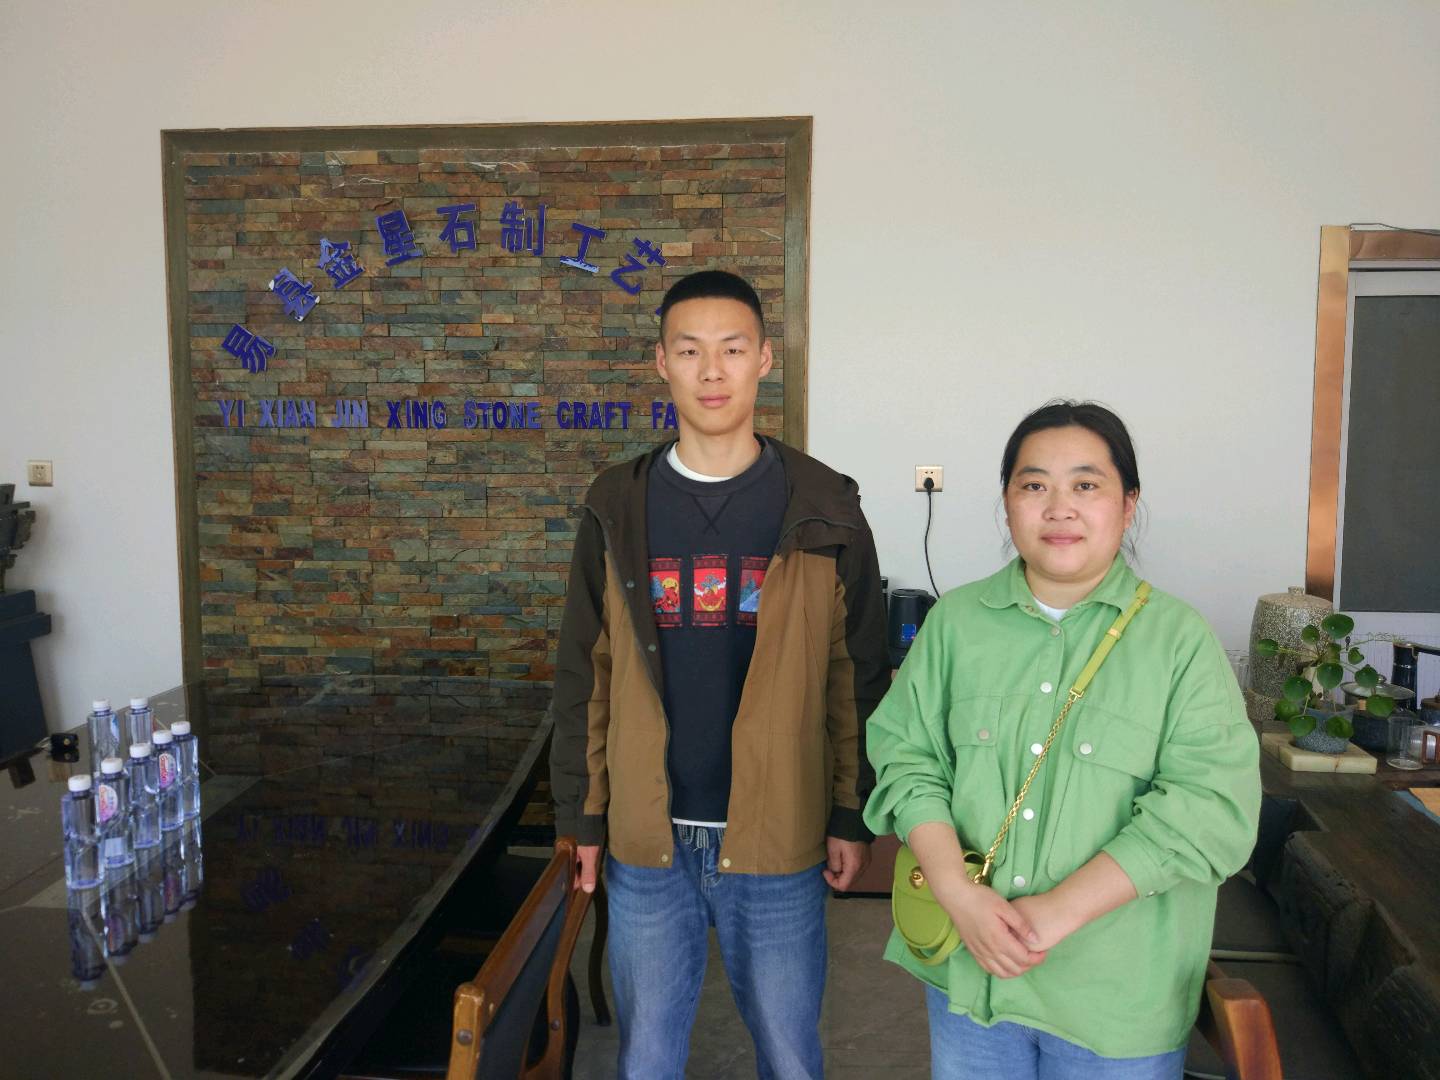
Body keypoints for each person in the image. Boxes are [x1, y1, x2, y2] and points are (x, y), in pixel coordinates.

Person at [550, 269, 889, 1079]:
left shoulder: (825, 505)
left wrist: (853, 812)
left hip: (780, 837)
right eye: (690, 350)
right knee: (646, 1060)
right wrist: (583, 819)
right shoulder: (616, 503)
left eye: (732, 349)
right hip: (646, 840)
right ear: (660, 362)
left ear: (764, 358)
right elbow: (585, 674)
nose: (712, 371)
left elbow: (856, 678)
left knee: (790, 1057)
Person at [864, 400, 1261, 1079]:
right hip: (972, 981)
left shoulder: (1179, 642)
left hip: (1116, 998)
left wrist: (1054, 914)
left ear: (1128, 504)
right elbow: (908, 759)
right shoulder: (956, 623)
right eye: (1034, 484)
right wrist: (959, 893)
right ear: (1007, 503)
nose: (1059, 507)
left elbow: (1209, 808)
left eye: (1086, 484)